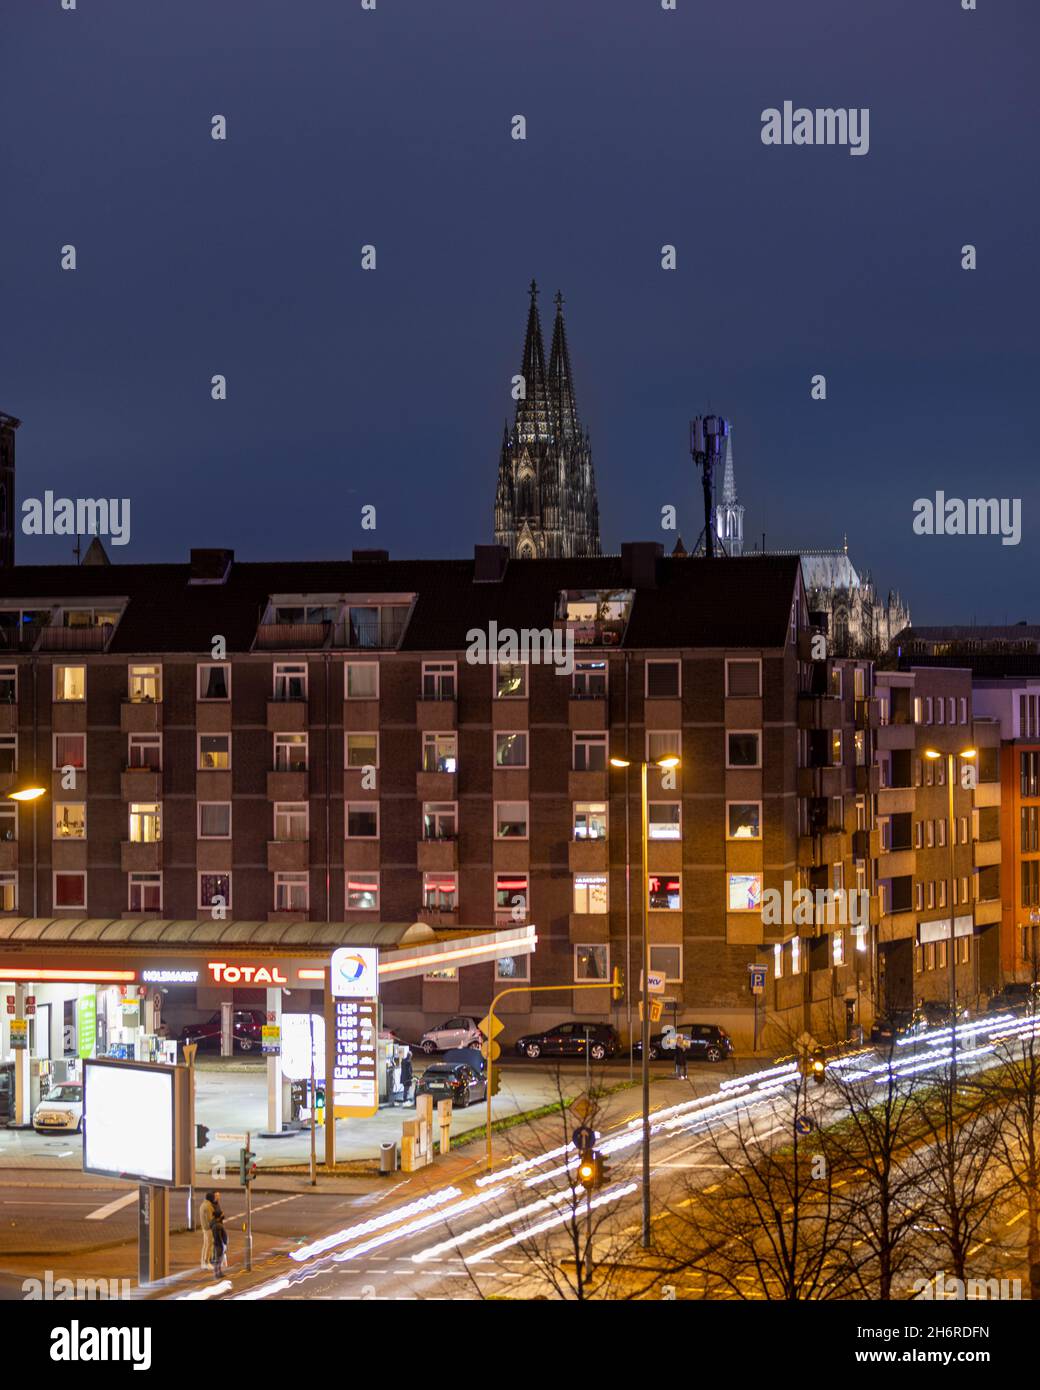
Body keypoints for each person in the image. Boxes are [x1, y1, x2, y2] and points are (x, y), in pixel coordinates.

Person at [210, 1194, 229, 1277]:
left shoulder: (215, 1223)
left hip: (218, 1244)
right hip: (219, 1245)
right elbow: (219, 1237)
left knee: (219, 1259)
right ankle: (217, 1273)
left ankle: (218, 1272)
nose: (223, 1216)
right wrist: (223, 1244)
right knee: (218, 1259)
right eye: (222, 1215)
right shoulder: (218, 1226)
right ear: (218, 1217)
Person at [199, 1190, 215, 1269]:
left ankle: (203, 1261)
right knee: (209, 1245)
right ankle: (206, 1262)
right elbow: (210, 1218)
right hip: (208, 1228)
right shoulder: (208, 1206)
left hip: (204, 1228)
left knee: (205, 1245)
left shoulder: (203, 1204)